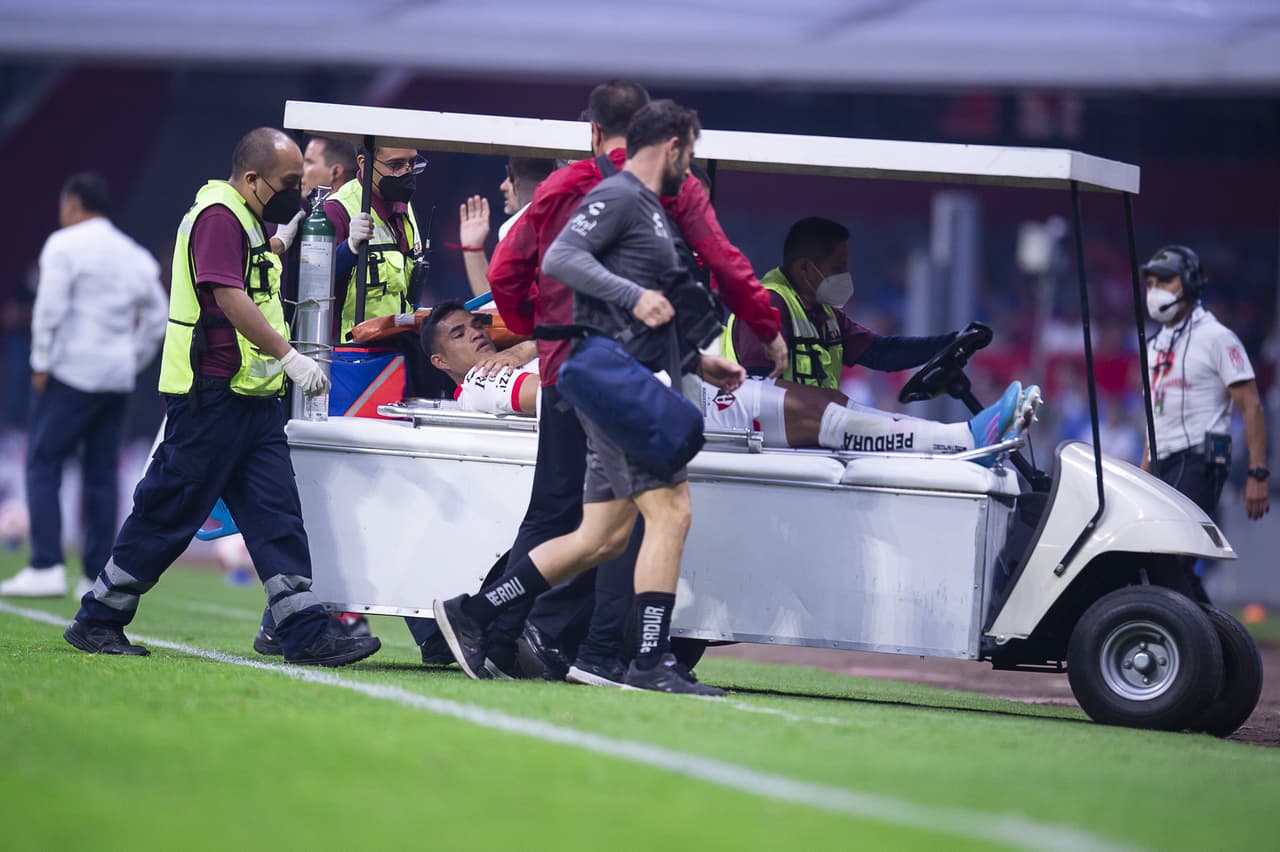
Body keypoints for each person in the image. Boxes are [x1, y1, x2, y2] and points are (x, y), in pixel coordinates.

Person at [436, 99, 755, 696]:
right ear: (668, 146)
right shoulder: (622, 196)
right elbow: (564, 264)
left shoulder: (644, 207)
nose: (693, 165)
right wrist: (626, 308)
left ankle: (474, 615)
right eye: (689, 150)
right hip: (614, 384)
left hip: (616, 376)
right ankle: (645, 662)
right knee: (670, 514)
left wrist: (695, 360)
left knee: (601, 537)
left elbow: (620, 308)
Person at [61, 127, 381, 667]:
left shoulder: (246, 221)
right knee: (168, 512)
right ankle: (98, 617)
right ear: (252, 178)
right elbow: (230, 296)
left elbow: (255, 268)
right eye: (286, 184)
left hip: (250, 400)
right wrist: (289, 356)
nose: (294, 194)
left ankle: (304, 633)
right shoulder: (218, 216)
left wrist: (292, 237)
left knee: (278, 515)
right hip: (210, 395)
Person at [425, 302, 1040, 457]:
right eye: (458, 334)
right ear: (440, 364)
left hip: (671, 390)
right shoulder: (481, 382)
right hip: (661, 409)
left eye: (475, 326)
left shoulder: (509, 358)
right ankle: (964, 442)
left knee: (824, 403)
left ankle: (959, 443)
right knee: (816, 417)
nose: (476, 336)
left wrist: (531, 344)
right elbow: (558, 396)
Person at [0, 173, 167, 599]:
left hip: (70, 374)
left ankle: (45, 565)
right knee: (100, 474)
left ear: (72, 206)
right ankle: (94, 573)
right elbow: (157, 316)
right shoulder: (134, 255)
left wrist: (40, 360)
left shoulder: (64, 244)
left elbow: (49, 306)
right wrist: (132, 359)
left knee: (42, 464)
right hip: (115, 378)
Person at [1139, 244, 1270, 601]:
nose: (1155, 290)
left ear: (1191, 284)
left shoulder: (1217, 337)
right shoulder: (1153, 347)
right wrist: (1143, 473)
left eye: (1165, 280)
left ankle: (1197, 641)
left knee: (1165, 555)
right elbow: (1155, 415)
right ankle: (1213, 642)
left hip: (1201, 460)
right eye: (1150, 281)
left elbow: (1252, 405)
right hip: (1163, 464)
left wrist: (1257, 475)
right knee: (1165, 563)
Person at [726, 217, 962, 390]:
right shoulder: (767, 305)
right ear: (804, 268)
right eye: (837, 269)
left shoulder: (824, 315)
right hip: (768, 447)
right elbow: (757, 391)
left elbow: (883, 353)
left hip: (810, 437)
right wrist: (832, 408)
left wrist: (953, 342)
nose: (845, 277)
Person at [457, 157, 560, 297]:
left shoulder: (515, 230)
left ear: (512, 175)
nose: (502, 186)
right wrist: (473, 249)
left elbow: (499, 306)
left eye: (507, 178)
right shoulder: (571, 213)